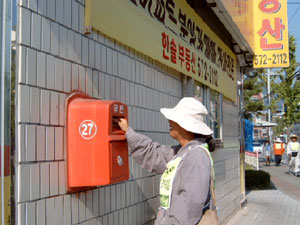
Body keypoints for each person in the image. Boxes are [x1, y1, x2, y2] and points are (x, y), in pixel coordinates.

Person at [118, 97, 217, 225]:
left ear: (185, 125)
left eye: (174, 119)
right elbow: (154, 152)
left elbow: (188, 208)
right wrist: (128, 132)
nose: (169, 121)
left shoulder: (196, 157)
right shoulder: (183, 152)